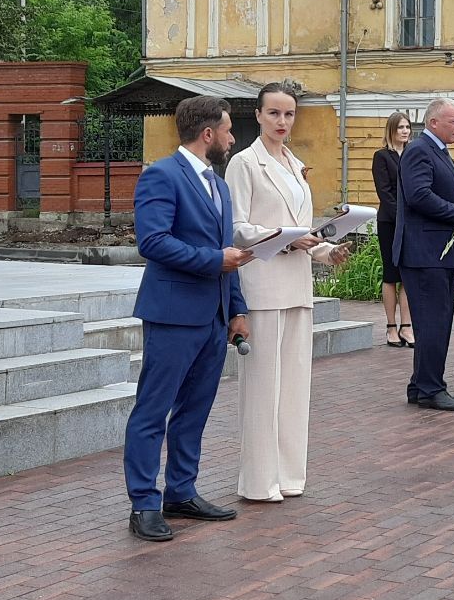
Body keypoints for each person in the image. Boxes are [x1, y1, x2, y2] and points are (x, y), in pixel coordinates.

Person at [123, 95, 252, 542]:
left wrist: (237, 309)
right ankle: (143, 502)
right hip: (173, 314)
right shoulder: (161, 175)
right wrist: (213, 260)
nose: (233, 137)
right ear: (208, 133)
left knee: (194, 411)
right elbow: (152, 242)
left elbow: (229, 257)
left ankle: (180, 491)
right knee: (153, 410)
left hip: (214, 317)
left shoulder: (220, 185)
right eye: (229, 129)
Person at [225, 81, 350, 502]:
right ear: (258, 115)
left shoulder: (295, 164)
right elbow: (238, 228)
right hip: (261, 287)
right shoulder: (244, 163)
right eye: (274, 113)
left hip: (297, 287)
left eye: (289, 114)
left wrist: (327, 250)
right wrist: (285, 239)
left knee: (295, 387)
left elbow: (304, 230)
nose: (282, 121)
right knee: (261, 389)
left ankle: (289, 475)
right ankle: (259, 481)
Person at [394, 97, 454, 411]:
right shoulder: (420, 150)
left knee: (437, 321)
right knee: (433, 323)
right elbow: (418, 196)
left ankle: (420, 385)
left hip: (436, 253)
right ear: (433, 122)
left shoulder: (437, 151)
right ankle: (431, 388)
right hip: (425, 252)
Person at [372, 111, 413, 348]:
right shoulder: (382, 156)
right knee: (391, 274)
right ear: (391, 130)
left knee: (407, 274)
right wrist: (402, 219)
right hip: (390, 222)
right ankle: (390, 326)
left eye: (407, 127)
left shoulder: (413, 154)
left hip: (412, 222)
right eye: (400, 128)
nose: (405, 131)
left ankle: (406, 326)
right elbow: (385, 192)